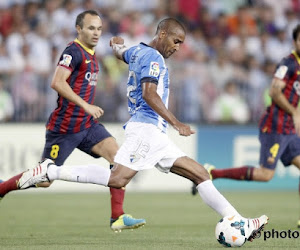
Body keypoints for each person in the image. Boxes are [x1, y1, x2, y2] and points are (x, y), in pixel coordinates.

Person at [3, 18, 268, 243]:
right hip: (146, 129)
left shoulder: (138, 51)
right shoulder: (153, 58)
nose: (177, 48)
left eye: (181, 44)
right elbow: (149, 93)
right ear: (162, 33)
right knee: (118, 178)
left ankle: (236, 220)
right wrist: (176, 122)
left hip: (153, 132)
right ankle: (51, 171)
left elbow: (121, 53)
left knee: (199, 174)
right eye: (176, 41)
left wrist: (117, 45)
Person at [0, 10, 145, 232]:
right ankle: (3, 188)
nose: (96, 33)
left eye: (99, 29)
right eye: (90, 28)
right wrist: (86, 105)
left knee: (119, 159)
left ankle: (117, 216)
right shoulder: (73, 52)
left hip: (87, 125)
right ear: (79, 29)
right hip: (64, 128)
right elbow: (57, 82)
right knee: (45, 178)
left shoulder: (92, 53)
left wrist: (119, 46)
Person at [193, 24, 300, 228]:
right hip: (275, 126)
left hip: (289, 129)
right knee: (265, 175)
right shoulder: (288, 63)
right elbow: (274, 92)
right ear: (295, 42)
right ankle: (214, 173)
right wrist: (294, 112)